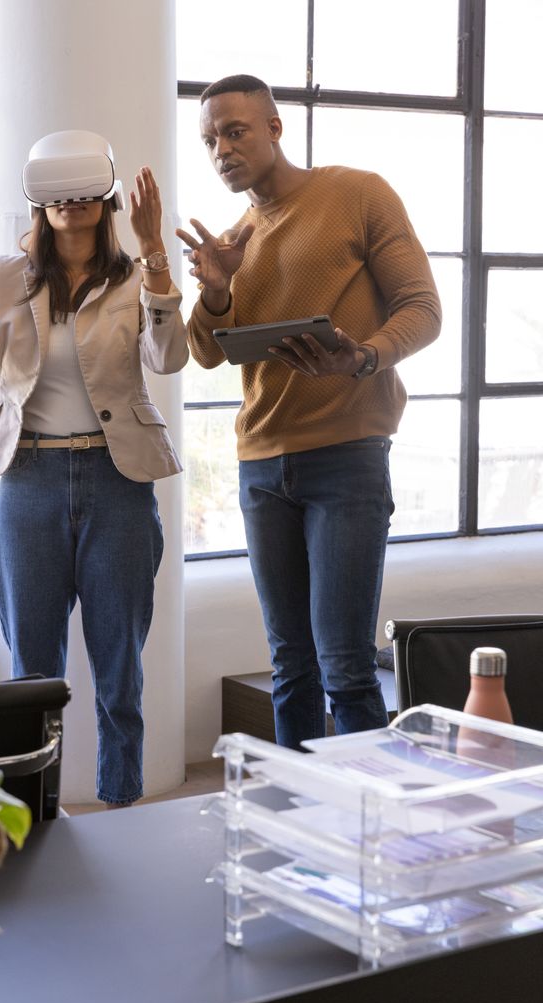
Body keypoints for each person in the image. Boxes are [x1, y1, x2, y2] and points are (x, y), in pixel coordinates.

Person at [0, 130, 188, 806]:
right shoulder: (7, 275)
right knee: (32, 677)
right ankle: (36, 822)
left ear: (106, 197)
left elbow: (169, 355)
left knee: (119, 673)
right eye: (57, 194)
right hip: (28, 482)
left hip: (118, 482)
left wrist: (156, 254)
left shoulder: (134, 279)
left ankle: (123, 812)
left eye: (85, 192)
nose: (71, 203)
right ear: (40, 202)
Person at [177, 75, 442, 749]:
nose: (222, 150)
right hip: (262, 467)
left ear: (274, 127)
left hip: (347, 457)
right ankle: (289, 817)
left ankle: (370, 830)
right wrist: (216, 289)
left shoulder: (356, 193)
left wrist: (363, 357)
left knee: (346, 668)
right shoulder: (235, 237)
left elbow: (423, 310)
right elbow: (205, 353)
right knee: (289, 665)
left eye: (235, 131)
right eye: (210, 140)